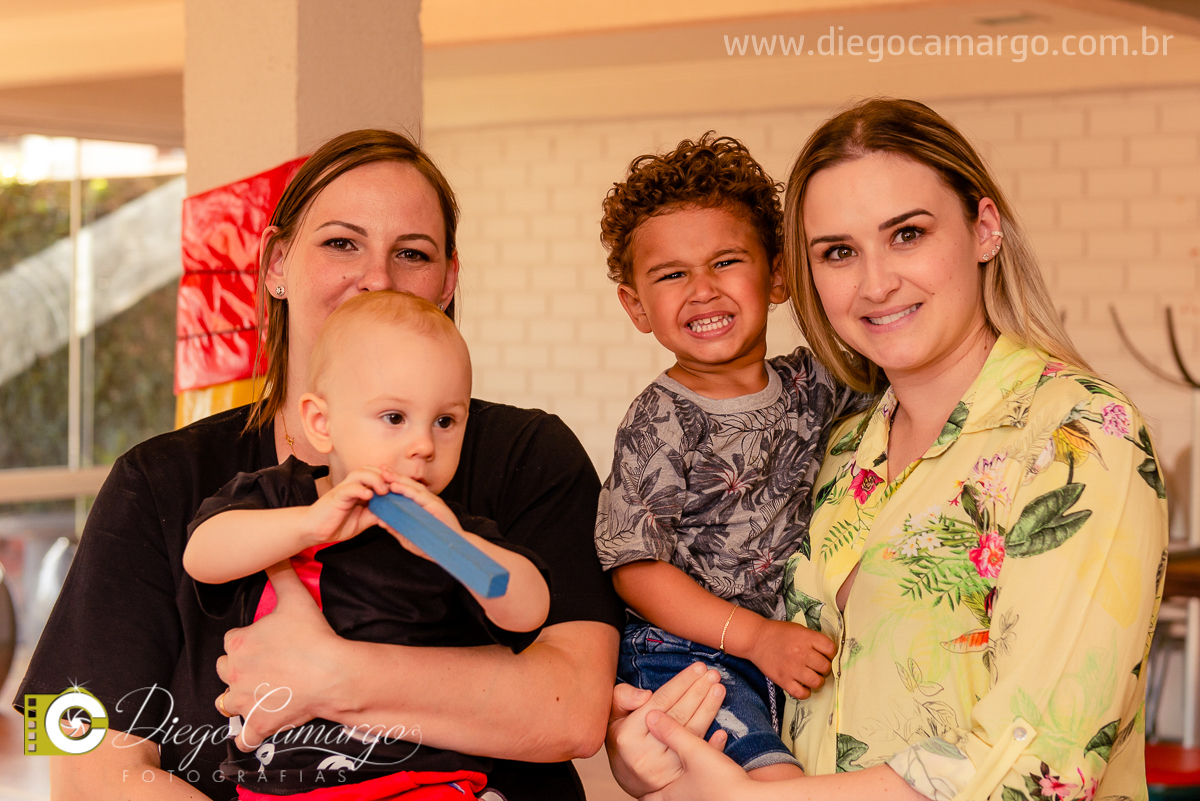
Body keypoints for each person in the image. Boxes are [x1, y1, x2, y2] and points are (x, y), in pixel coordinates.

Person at [15, 129, 623, 801]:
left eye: (412, 253)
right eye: (341, 243)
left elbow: (575, 713)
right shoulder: (152, 479)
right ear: (277, 262)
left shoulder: (532, 454)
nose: (377, 278)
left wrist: (335, 673)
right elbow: (72, 753)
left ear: (448, 281)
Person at [605, 98, 1167, 801]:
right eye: (839, 252)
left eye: (907, 234)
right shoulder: (840, 445)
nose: (875, 283)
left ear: (984, 228)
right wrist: (651, 761)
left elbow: (1044, 761)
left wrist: (761, 800)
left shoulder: (1079, 433)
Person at [184, 291, 552, 798]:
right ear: (322, 423)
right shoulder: (278, 497)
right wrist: (309, 525)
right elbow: (202, 556)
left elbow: (529, 610)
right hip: (282, 785)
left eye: (445, 421)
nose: (424, 445)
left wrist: (455, 547)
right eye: (394, 417)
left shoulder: (450, 530)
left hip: (422, 781)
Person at [594, 133, 857, 781]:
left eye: (725, 261)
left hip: (780, 649)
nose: (703, 289)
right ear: (636, 305)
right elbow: (635, 569)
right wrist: (755, 637)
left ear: (777, 276)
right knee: (772, 786)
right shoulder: (660, 420)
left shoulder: (816, 383)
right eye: (672, 274)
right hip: (686, 657)